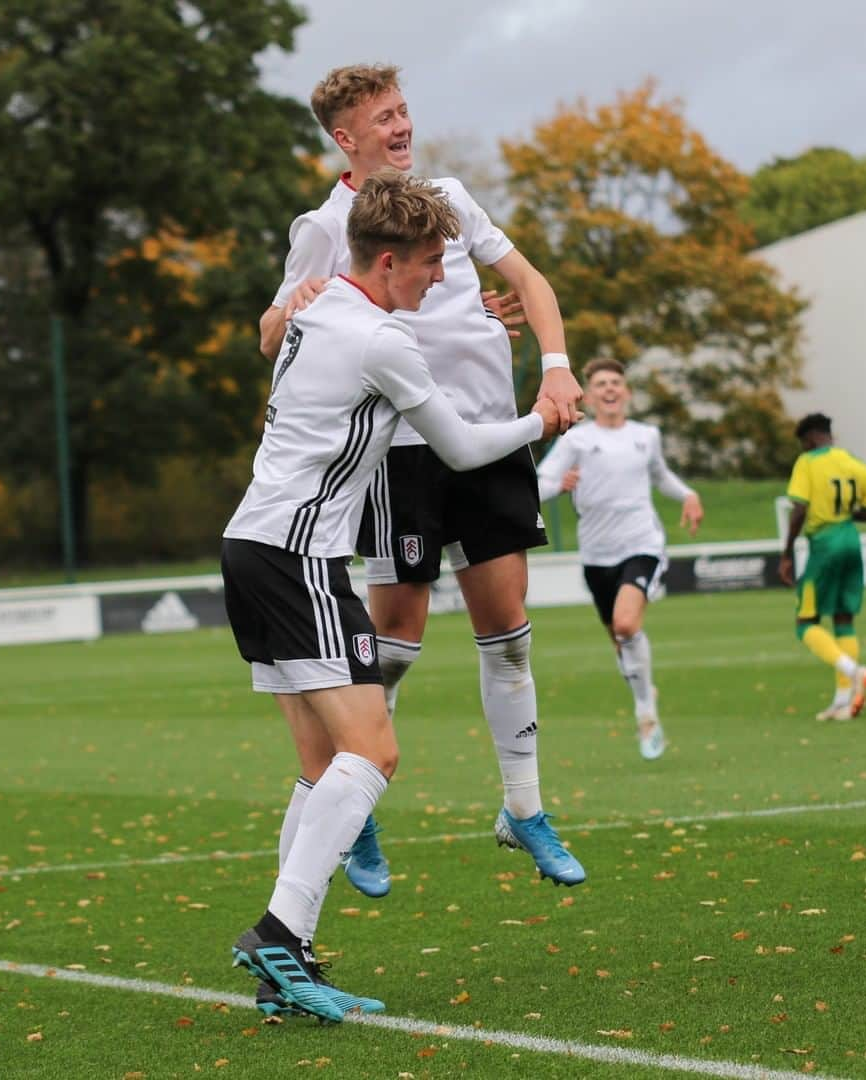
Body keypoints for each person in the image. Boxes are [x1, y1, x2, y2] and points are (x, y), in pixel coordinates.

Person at [224, 169, 561, 1022]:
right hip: (298, 558)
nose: (440, 279)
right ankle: (277, 935)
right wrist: (544, 421)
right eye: (428, 265)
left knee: (317, 770)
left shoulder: (319, 309)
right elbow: (459, 447)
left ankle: (283, 969)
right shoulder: (380, 339)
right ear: (384, 258)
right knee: (373, 754)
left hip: (253, 547)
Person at [259, 64, 587, 897]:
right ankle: (357, 791)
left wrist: (554, 369)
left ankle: (524, 808)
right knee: (393, 643)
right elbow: (271, 336)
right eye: (384, 118)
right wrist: (289, 304)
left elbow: (530, 283)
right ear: (346, 137)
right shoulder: (324, 224)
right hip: (400, 454)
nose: (402, 127)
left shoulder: (447, 193)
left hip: (491, 433)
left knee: (508, 631)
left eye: (404, 112)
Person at [535, 359, 703, 760]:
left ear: (626, 393)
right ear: (589, 397)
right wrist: (560, 484)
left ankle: (646, 712)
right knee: (619, 639)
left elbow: (660, 476)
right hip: (596, 555)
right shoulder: (576, 440)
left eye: (615, 383)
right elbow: (537, 484)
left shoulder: (646, 436)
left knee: (627, 625)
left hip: (641, 543)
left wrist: (688, 495)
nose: (609, 389)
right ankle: (644, 687)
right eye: (600, 384)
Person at [779, 413, 866, 720]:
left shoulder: (808, 462)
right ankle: (844, 701)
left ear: (808, 439)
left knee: (805, 622)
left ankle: (855, 671)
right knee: (843, 619)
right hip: (851, 540)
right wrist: (847, 514)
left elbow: (799, 509)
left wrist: (785, 553)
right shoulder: (854, 463)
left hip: (825, 543)